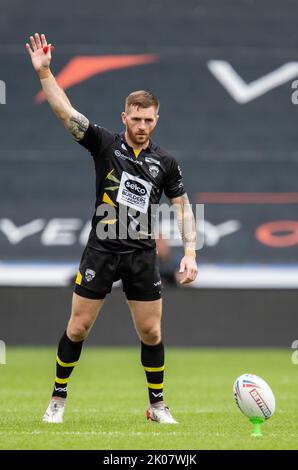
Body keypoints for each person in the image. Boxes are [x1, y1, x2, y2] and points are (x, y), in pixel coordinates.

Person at [26, 33, 198, 424]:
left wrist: (190, 253)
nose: (141, 125)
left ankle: (156, 405)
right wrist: (45, 73)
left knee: (151, 333)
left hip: (141, 256)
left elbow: (183, 209)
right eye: (135, 119)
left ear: (157, 120)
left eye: (148, 120)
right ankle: (58, 398)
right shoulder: (105, 144)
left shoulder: (165, 163)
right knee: (78, 326)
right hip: (101, 251)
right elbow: (65, 112)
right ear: (125, 118)